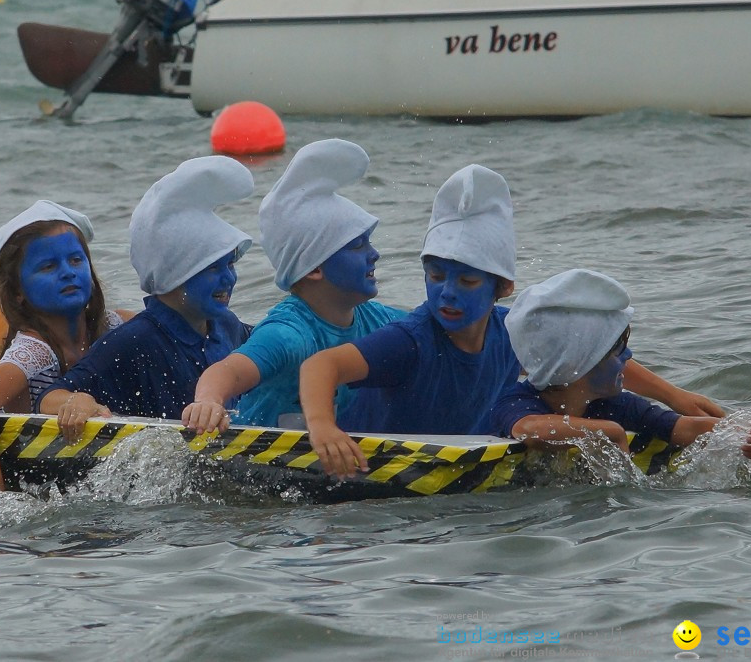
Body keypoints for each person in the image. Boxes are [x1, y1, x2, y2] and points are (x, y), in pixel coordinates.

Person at [300, 164, 522, 476]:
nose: (446, 293)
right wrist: (322, 426)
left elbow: (572, 360)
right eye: (436, 275)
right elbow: (320, 366)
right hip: (362, 471)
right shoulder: (409, 341)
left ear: (504, 286)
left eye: (467, 281)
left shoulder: (515, 332)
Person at [182, 139, 404, 433]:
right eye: (358, 246)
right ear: (314, 268)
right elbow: (228, 371)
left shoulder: (380, 321)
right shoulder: (288, 334)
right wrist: (208, 401)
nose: (374, 254)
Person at [37, 155, 254, 431]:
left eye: (231, 263)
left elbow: (269, 348)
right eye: (212, 269)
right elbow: (49, 398)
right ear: (173, 275)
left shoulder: (227, 324)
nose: (229, 278)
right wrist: (78, 401)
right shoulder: (136, 340)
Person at [478, 268, 751, 465]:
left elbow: (681, 427)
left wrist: (744, 433)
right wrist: (606, 432)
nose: (628, 357)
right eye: (617, 349)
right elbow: (528, 428)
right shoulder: (517, 401)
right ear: (575, 364)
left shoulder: (612, 404)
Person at [0, 200, 122, 503]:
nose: (67, 273)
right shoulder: (34, 349)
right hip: (33, 471)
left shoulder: (113, 326)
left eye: (76, 260)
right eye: (48, 267)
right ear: (17, 292)